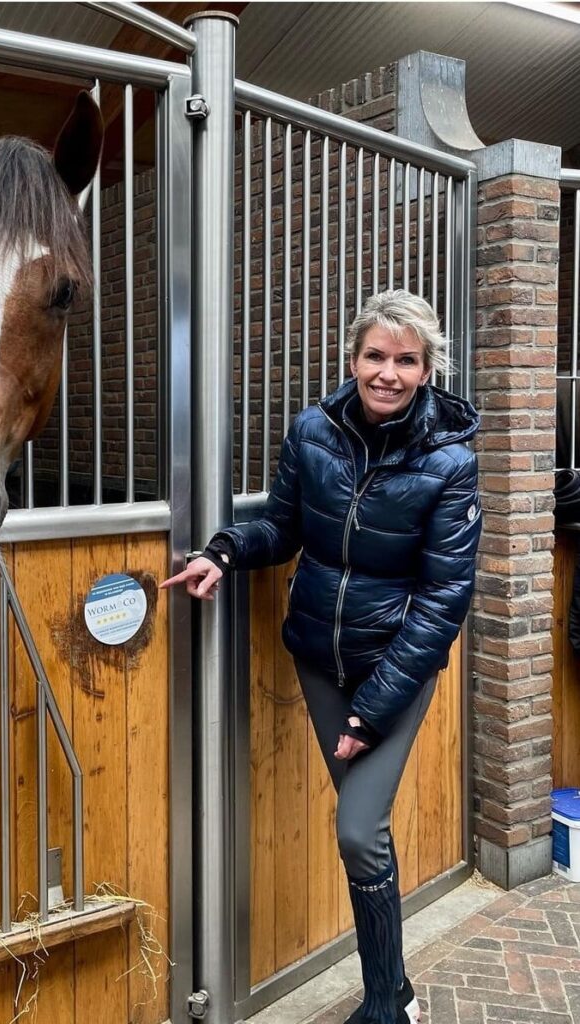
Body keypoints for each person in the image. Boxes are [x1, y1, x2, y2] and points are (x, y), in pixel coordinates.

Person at [162, 290, 481, 1024]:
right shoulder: (312, 432)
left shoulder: (451, 463)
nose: (388, 373)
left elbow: (443, 602)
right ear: (352, 358)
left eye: (406, 360)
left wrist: (371, 713)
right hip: (318, 659)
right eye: (376, 356)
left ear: (428, 371)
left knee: (355, 830)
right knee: (367, 837)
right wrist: (225, 551)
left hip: (392, 673)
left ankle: (382, 1009)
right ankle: (394, 985)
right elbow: (281, 527)